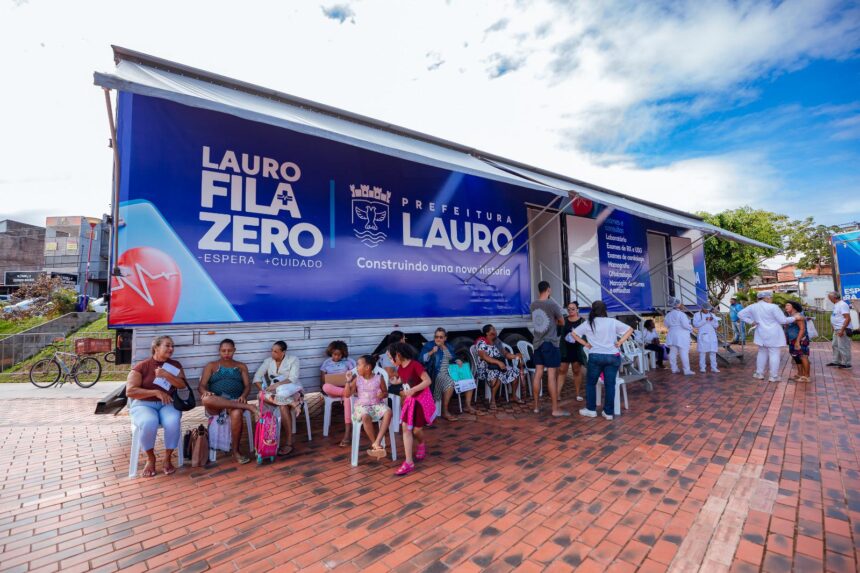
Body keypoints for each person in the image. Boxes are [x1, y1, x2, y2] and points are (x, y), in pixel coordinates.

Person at [126, 336, 187, 477]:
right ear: (156, 348)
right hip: (143, 404)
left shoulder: (175, 365)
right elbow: (130, 391)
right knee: (149, 422)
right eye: (167, 345)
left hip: (167, 404)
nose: (171, 349)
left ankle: (167, 458)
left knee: (173, 421)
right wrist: (155, 392)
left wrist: (166, 375)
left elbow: (182, 385)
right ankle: (150, 458)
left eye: (172, 346)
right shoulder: (142, 366)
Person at [568, 300, 634, 421]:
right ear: (605, 310)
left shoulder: (589, 323)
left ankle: (591, 410)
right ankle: (608, 412)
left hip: (595, 356)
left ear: (593, 310)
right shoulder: (612, 321)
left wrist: (585, 344)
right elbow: (630, 329)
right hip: (612, 356)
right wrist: (620, 342)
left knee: (590, 383)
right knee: (610, 384)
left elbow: (574, 334)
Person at [198, 339, 257, 464]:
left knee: (237, 413)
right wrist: (205, 392)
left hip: (235, 400)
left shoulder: (241, 366)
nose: (226, 353)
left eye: (229, 350)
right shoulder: (211, 365)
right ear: (219, 351)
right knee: (206, 399)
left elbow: (247, 386)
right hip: (216, 403)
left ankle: (236, 451)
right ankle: (248, 407)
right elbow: (201, 386)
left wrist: (244, 395)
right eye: (223, 350)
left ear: (234, 350)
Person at [389, 342, 436, 476]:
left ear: (398, 355)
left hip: (421, 400)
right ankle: (408, 462)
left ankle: (421, 443)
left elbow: (427, 381)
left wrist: (413, 389)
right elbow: (405, 379)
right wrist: (396, 381)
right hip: (411, 401)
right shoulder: (400, 368)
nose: (391, 361)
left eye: (392, 358)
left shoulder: (415, 365)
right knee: (406, 428)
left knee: (417, 430)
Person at [253, 341, 301, 456]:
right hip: (275, 395)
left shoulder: (293, 359)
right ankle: (292, 403)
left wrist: (275, 385)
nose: (272, 353)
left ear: (283, 352)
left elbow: (293, 378)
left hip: (291, 390)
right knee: (261, 395)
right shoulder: (268, 361)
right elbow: (257, 378)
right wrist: (264, 390)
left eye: (275, 351)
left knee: (282, 404)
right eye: (272, 351)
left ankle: (289, 442)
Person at [737, 291, 795, 382]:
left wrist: (751, 322)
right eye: (771, 298)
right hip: (774, 333)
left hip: (761, 333)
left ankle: (759, 373)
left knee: (762, 352)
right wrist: (794, 318)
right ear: (767, 298)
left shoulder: (752, 306)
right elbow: (783, 320)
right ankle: (773, 376)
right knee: (774, 353)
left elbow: (740, 314)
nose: (771, 299)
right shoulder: (773, 307)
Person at [343, 354, 392, 458]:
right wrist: (348, 381)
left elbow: (386, 393)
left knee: (388, 412)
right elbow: (347, 395)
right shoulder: (357, 379)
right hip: (362, 406)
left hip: (377, 405)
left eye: (358, 365)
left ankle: (377, 442)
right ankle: (375, 444)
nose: (356, 368)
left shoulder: (379, 378)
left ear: (367, 367)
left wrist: (382, 394)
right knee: (365, 416)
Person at [529, 281, 566, 415]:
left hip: (537, 343)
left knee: (538, 373)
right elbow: (562, 321)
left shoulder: (533, 304)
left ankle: (536, 407)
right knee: (551, 376)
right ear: (548, 289)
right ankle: (555, 409)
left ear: (539, 290)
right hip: (550, 343)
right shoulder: (552, 304)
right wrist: (555, 321)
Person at [419, 328, 465, 421]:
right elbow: (421, 359)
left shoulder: (448, 346)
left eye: (441, 337)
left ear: (445, 338)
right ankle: (445, 411)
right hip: (436, 373)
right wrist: (432, 352)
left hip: (450, 371)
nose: (438, 339)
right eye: (436, 337)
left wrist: (457, 360)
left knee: (467, 377)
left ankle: (468, 406)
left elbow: (453, 357)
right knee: (450, 382)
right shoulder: (429, 345)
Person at [475, 324, 525, 409]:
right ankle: (492, 400)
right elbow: (484, 357)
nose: (495, 331)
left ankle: (513, 396)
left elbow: (505, 354)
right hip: (485, 367)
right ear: (487, 333)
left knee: (515, 372)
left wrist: (515, 356)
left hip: (498, 365)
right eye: (493, 330)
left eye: (495, 330)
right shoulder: (482, 342)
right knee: (495, 375)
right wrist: (498, 362)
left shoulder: (497, 341)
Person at [319, 340, 357, 447]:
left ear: (343, 354)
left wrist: (348, 383)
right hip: (333, 389)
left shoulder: (349, 362)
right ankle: (345, 393)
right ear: (330, 353)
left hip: (347, 386)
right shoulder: (326, 363)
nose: (336, 357)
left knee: (347, 398)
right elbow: (323, 380)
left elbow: (355, 377)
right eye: (334, 354)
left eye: (339, 355)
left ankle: (347, 433)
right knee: (326, 387)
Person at [559, 301, 586, 402]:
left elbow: (586, 335)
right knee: (562, 370)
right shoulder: (564, 320)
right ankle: (557, 394)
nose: (570, 311)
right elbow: (558, 332)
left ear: (577, 310)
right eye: (569, 309)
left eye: (573, 309)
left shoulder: (582, 321)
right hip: (565, 349)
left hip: (577, 350)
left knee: (576, 371)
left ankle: (578, 394)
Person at [665, 297, 695, 375]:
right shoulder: (681, 314)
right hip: (681, 335)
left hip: (671, 334)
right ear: (678, 304)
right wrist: (691, 327)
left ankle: (674, 369)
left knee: (672, 353)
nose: (682, 305)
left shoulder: (668, 315)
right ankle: (686, 370)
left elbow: (666, 325)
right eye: (681, 303)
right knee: (684, 352)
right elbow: (685, 325)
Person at [784, 301, 811, 382]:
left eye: (788, 305)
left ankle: (806, 376)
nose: (786, 307)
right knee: (796, 356)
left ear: (794, 307)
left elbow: (802, 329)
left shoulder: (798, 316)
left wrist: (798, 341)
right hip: (792, 339)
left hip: (800, 339)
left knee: (803, 356)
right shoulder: (791, 316)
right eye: (785, 305)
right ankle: (800, 374)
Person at [692, 304, 721, 373]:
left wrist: (712, 320)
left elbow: (716, 325)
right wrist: (704, 320)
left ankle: (714, 367)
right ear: (702, 308)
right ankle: (702, 368)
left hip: (712, 335)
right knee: (702, 352)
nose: (707, 311)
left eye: (708, 310)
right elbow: (696, 325)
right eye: (706, 309)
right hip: (703, 335)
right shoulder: (697, 315)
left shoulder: (712, 315)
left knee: (713, 352)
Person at [827, 291, 853, 369]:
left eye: (829, 297)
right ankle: (836, 361)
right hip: (837, 329)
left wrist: (842, 330)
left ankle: (846, 363)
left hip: (842, 329)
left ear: (834, 297)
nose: (829, 299)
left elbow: (847, 318)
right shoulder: (836, 305)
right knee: (835, 345)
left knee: (843, 346)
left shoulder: (842, 304)